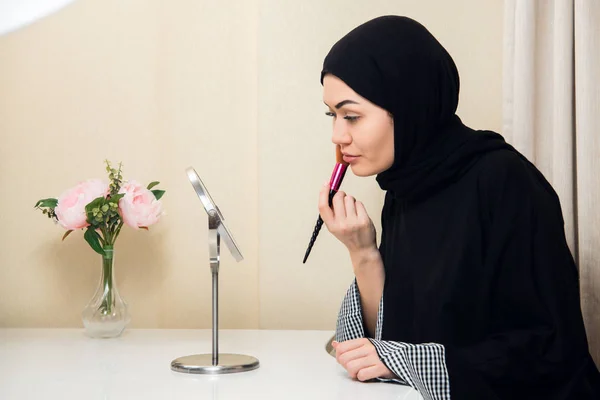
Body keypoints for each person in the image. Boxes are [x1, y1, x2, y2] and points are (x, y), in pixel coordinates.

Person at [317, 15, 600, 400]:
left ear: (409, 104)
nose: (337, 136)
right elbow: (390, 343)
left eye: (351, 116)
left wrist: (406, 361)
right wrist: (362, 251)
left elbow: (548, 349)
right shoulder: (405, 186)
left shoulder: (505, 183)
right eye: (332, 115)